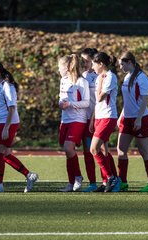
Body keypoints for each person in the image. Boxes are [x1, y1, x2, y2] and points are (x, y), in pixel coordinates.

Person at [0, 59, 38, 193]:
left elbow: (12, 108)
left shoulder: (8, 86)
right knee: (5, 154)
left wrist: (6, 128)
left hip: (7, 122)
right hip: (1, 123)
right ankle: (29, 175)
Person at [117, 52, 148, 192]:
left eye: (122, 64)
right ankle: (122, 182)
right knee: (121, 150)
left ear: (130, 62)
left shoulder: (142, 78)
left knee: (143, 150)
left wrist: (139, 119)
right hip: (127, 118)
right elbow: (128, 100)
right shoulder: (127, 77)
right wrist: (121, 115)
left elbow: (144, 100)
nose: (120, 66)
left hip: (141, 118)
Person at [58, 54, 90, 192]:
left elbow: (86, 102)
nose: (58, 69)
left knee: (68, 148)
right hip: (65, 119)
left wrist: (70, 104)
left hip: (78, 120)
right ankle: (70, 182)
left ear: (67, 67)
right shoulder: (63, 80)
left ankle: (78, 177)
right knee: (67, 151)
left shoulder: (81, 82)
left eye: (60, 66)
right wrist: (61, 103)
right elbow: (61, 97)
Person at [89, 52, 120, 193]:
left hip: (108, 117)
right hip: (100, 117)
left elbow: (100, 97)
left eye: (94, 63)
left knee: (93, 148)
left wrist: (100, 82)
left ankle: (111, 177)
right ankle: (106, 181)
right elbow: (97, 102)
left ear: (101, 64)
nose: (92, 66)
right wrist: (93, 119)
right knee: (103, 150)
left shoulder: (110, 77)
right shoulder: (99, 77)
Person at [80, 48, 100, 192]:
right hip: (83, 119)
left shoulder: (99, 77)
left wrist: (93, 116)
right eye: (83, 61)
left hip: (97, 118)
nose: (84, 63)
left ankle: (109, 179)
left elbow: (99, 100)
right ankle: (92, 182)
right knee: (87, 152)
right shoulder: (81, 76)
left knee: (100, 150)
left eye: (87, 61)